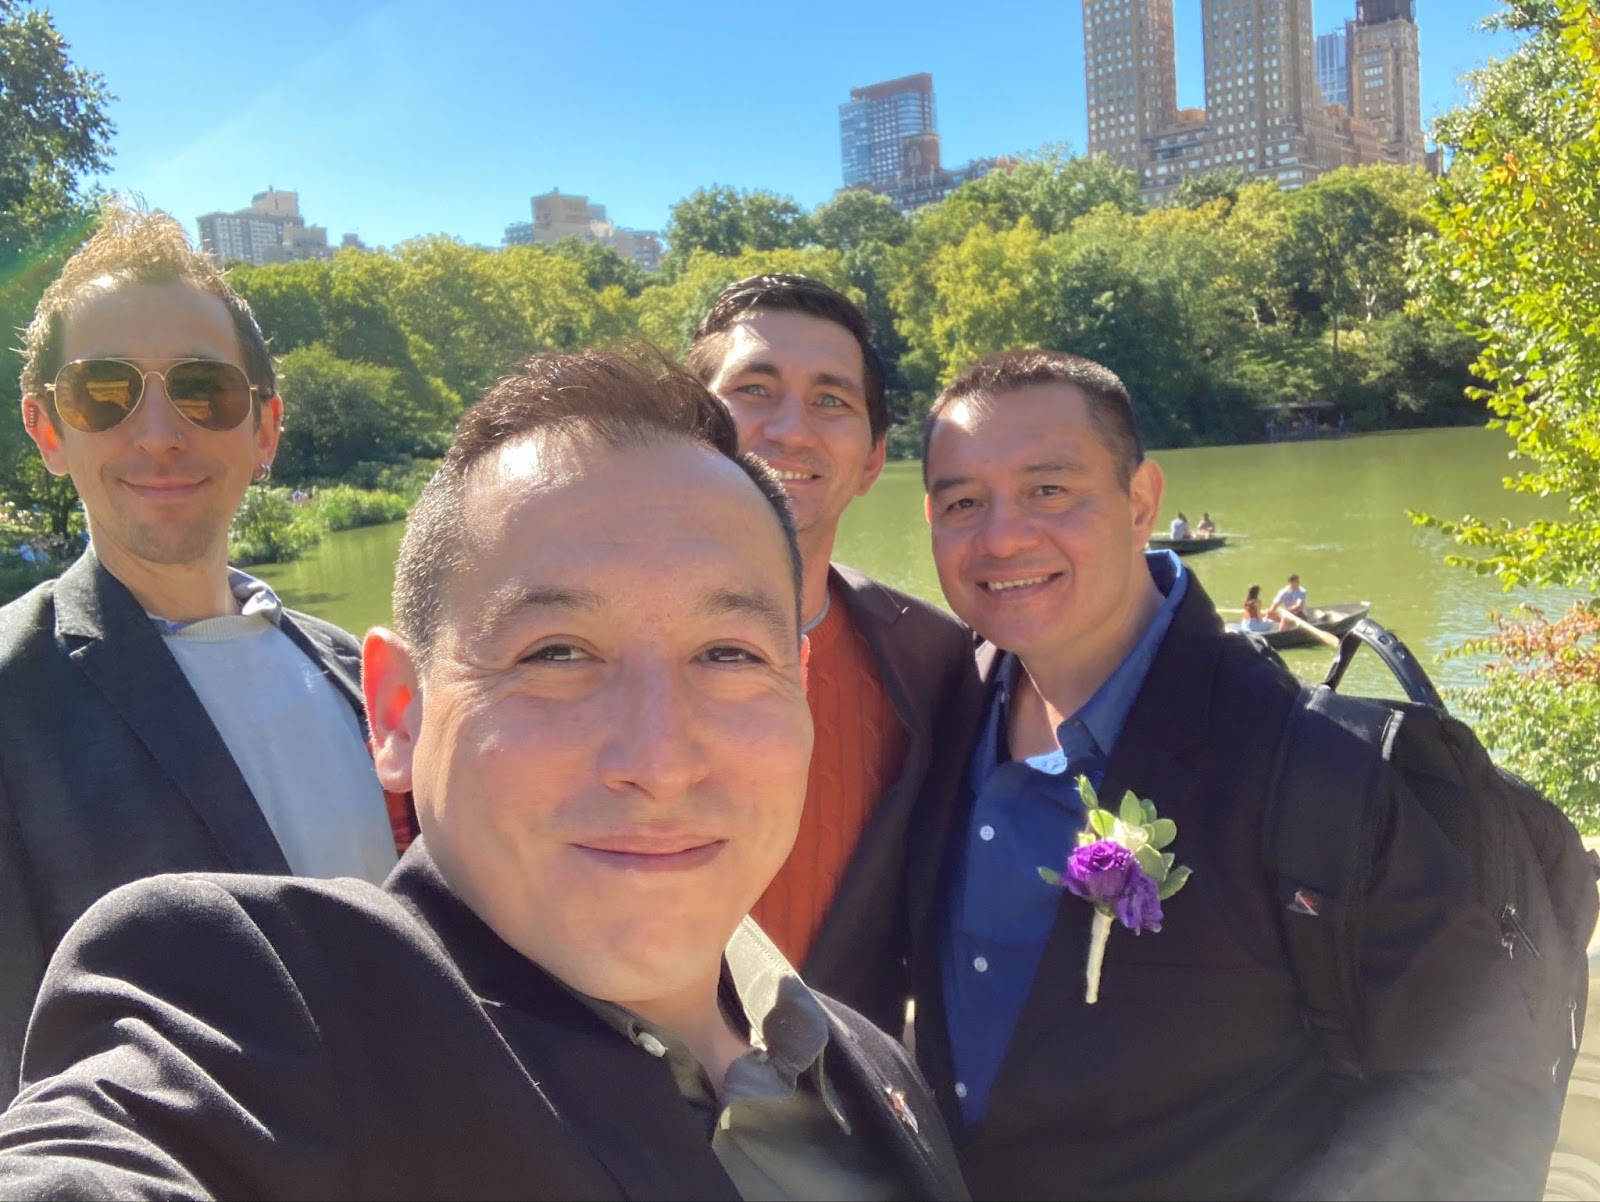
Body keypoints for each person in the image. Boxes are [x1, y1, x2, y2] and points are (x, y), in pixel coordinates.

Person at [0, 351, 967, 1202]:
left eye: (726, 655)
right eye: (555, 653)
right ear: (398, 712)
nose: (661, 759)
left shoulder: (870, 1064)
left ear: (797, 692)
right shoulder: (273, 1016)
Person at [911, 348, 1557, 1199]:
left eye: (1048, 489)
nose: (1001, 536)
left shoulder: (1314, 775)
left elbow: (1480, 1091)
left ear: (1142, 501)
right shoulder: (933, 709)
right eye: (964, 502)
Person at [0, 202, 405, 1105]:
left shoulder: (354, 673)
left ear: (263, 431)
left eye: (204, 390)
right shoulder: (10, 698)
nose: (157, 433)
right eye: (103, 391)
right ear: (48, 430)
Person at [687, 274, 980, 1033]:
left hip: (846, 1100)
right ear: (686, 428)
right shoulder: (561, 651)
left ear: (874, 460)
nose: (791, 429)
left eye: (831, 400)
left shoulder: (933, 655)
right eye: (754, 388)